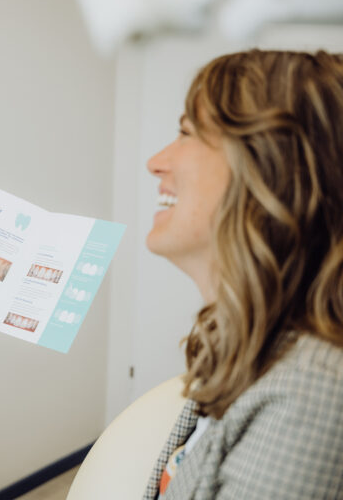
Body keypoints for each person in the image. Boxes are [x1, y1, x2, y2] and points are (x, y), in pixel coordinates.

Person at [142, 50, 343, 499]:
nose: (156, 161)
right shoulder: (243, 336)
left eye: (187, 133)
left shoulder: (313, 395)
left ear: (270, 171)